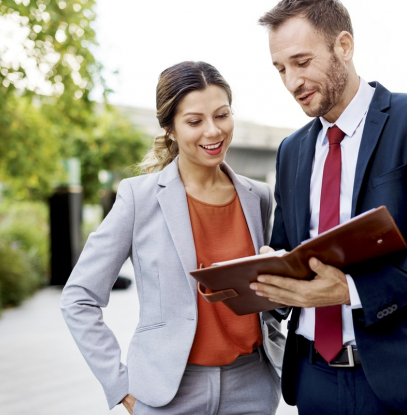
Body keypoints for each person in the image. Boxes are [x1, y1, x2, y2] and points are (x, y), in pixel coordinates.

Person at [249, 1, 407, 414]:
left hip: (402, 379)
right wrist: (275, 276)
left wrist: (352, 291)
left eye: (302, 62)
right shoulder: (291, 151)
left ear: (344, 45)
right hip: (313, 378)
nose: (292, 81)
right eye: (280, 68)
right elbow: (288, 249)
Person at [60, 61, 284, 415]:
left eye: (222, 115)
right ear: (170, 129)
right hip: (169, 395)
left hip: (252, 388)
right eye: (194, 121)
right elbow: (78, 298)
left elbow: (272, 295)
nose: (213, 131)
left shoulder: (259, 196)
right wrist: (121, 387)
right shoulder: (139, 198)